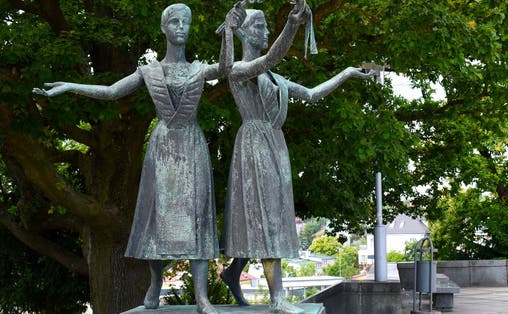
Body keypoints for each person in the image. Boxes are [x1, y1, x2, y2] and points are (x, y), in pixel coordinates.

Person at [33, 4, 244, 314]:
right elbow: (111, 91)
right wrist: (70, 87)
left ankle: (202, 297)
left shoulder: (199, 69)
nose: (181, 27)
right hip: (162, 150)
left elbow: (226, 69)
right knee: (156, 219)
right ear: (164, 28)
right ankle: (155, 283)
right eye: (175, 21)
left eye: (186, 22)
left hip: (191, 146)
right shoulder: (149, 71)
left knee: (197, 217)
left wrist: (228, 32)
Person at [219, 1, 372, 313]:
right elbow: (273, 55)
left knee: (265, 216)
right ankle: (277, 299)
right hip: (254, 145)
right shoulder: (238, 69)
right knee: (267, 217)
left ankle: (234, 273)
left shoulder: (274, 78)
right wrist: (292, 24)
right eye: (260, 27)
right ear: (245, 33)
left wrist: (346, 73)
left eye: (266, 27)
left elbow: (312, 94)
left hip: (273, 145)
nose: (265, 32)